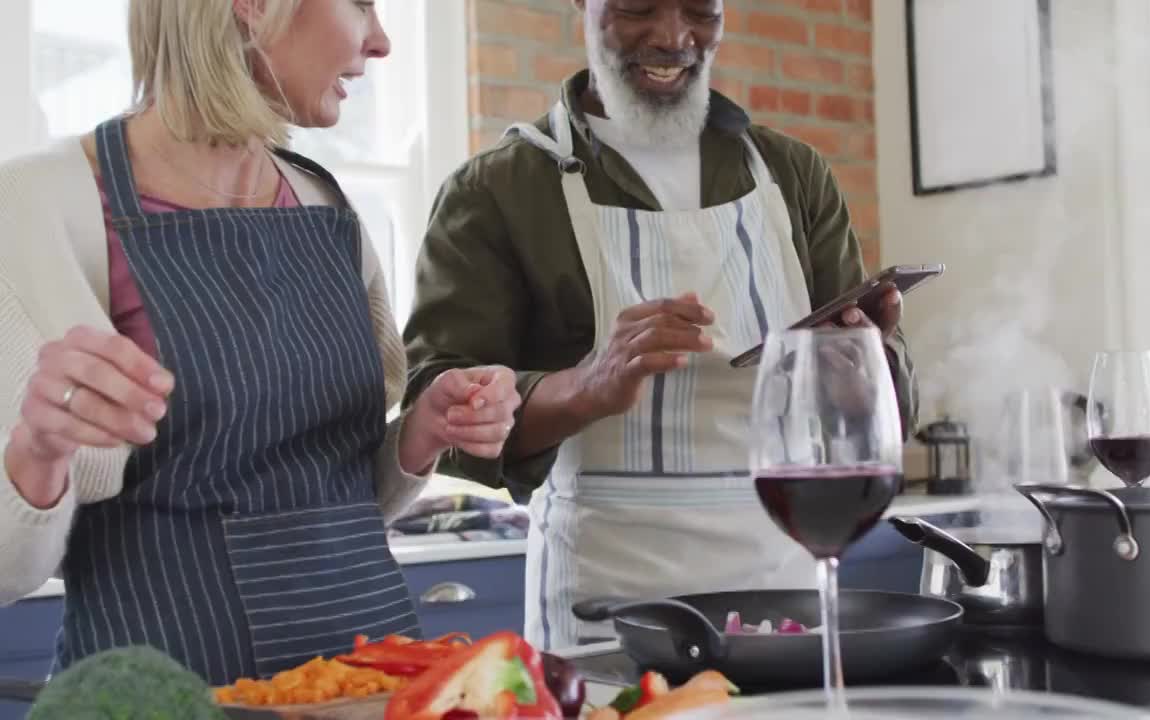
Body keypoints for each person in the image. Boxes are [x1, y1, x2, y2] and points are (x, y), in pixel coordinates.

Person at [0, 0, 521, 685]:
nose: (382, 40)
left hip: (367, 685)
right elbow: (10, 574)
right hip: (168, 692)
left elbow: (335, 497)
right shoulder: (42, 203)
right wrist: (38, 451)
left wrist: (419, 436)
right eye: (360, 3)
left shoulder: (324, 205)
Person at [403, 0, 917, 650]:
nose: (673, 37)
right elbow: (438, 416)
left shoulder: (795, 177)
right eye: (639, 7)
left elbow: (875, 406)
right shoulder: (498, 191)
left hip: (784, 600)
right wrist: (585, 385)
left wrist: (860, 371)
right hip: (606, 616)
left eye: (701, 11)